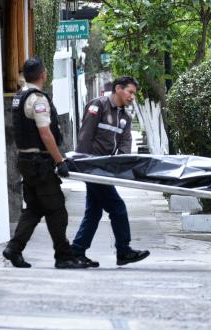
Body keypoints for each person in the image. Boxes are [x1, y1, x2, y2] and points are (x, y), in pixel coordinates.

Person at [3, 57, 87, 269]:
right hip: (39, 164)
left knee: (34, 209)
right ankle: (63, 256)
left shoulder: (19, 96)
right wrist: (60, 161)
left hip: (25, 161)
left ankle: (14, 248)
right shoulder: (38, 99)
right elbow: (45, 134)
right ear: (43, 75)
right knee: (57, 209)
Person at [71, 76, 150, 267]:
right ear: (117, 89)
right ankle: (123, 251)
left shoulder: (125, 117)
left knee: (94, 211)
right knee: (117, 208)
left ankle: (77, 251)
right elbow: (85, 137)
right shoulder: (98, 106)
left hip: (106, 171)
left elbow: (125, 143)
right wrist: (83, 165)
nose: (132, 97)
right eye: (130, 92)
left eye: (134, 94)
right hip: (93, 168)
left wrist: (120, 166)